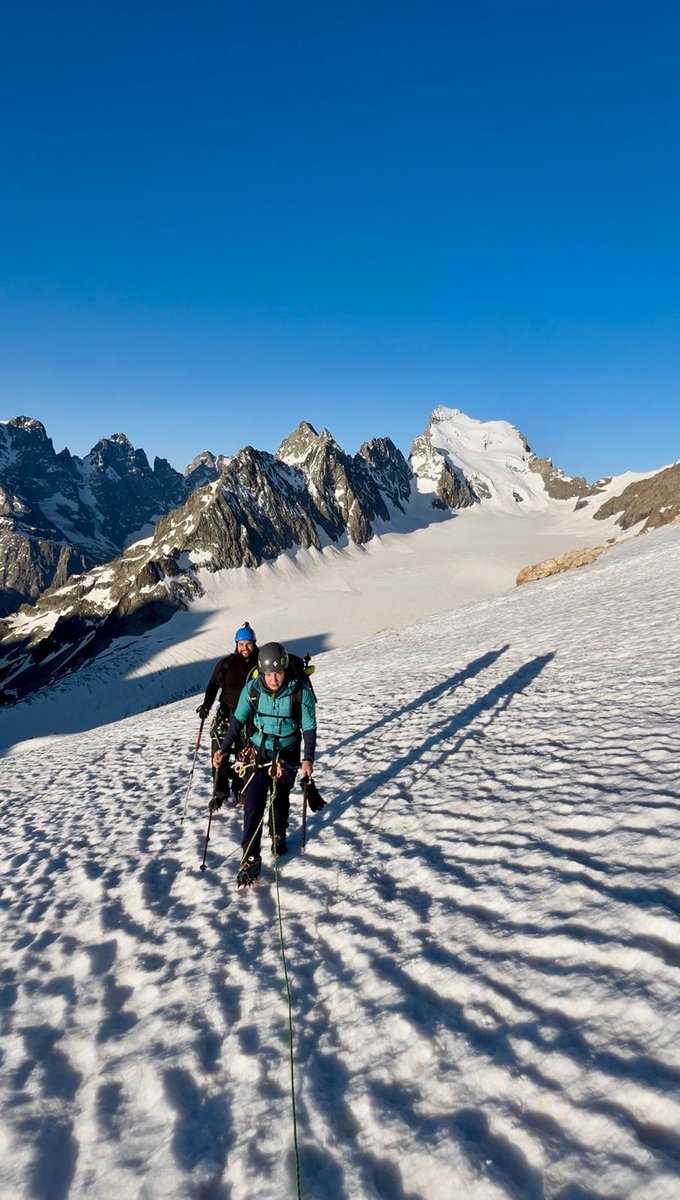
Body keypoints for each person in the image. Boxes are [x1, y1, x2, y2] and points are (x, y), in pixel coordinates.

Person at [212, 641, 316, 886]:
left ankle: (278, 832)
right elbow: (238, 721)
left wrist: (308, 758)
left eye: (278, 673)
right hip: (259, 752)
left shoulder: (300, 692)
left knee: (279, 796)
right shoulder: (252, 690)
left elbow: (309, 727)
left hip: (287, 751)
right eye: (269, 674)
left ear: (285, 669)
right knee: (253, 801)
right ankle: (250, 856)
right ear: (262, 672)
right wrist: (224, 749)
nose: (274, 679)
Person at [196, 621, 259, 805]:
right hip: (227, 713)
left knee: (243, 754)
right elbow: (213, 685)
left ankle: (240, 788)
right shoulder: (226, 664)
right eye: (241, 644)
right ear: (236, 645)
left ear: (254, 643)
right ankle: (220, 791)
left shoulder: (261, 665)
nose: (245, 648)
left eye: (248, 644)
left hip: (249, 717)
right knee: (219, 754)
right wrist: (206, 705)